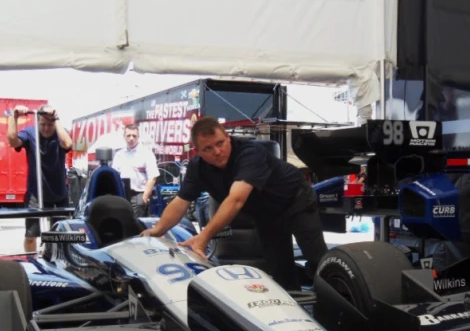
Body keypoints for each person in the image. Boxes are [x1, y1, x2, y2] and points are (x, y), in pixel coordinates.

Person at [142, 117, 328, 290]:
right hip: (266, 213)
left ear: (228, 138)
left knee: (317, 259)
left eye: (220, 143)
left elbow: (236, 200)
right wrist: (157, 230)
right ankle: (293, 313)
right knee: (280, 268)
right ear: (197, 151)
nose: (217, 152)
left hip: (296, 201)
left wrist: (202, 238)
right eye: (207, 149)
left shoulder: (250, 153)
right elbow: (181, 202)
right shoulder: (197, 167)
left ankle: (335, 303)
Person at [7, 105, 73, 252]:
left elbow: (67, 144)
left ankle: (59, 262)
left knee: (62, 235)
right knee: (31, 235)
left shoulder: (60, 132)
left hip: (59, 192)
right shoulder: (30, 133)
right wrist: (14, 117)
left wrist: (56, 118)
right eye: (43, 124)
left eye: (50, 124)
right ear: (37, 122)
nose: (47, 128)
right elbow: (12, 141)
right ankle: (32, 263)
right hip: (35, 193)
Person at [111, 124, 160, 217]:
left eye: (134, 136)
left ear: (138, 137)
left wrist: (144, 198)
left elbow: (152, 177)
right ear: (124, 137)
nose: (131, 138)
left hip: (138, 196)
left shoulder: (146, 154)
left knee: (136, 227)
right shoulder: (119, 155)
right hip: (121, 195)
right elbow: (114, 176)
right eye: (128, 135)